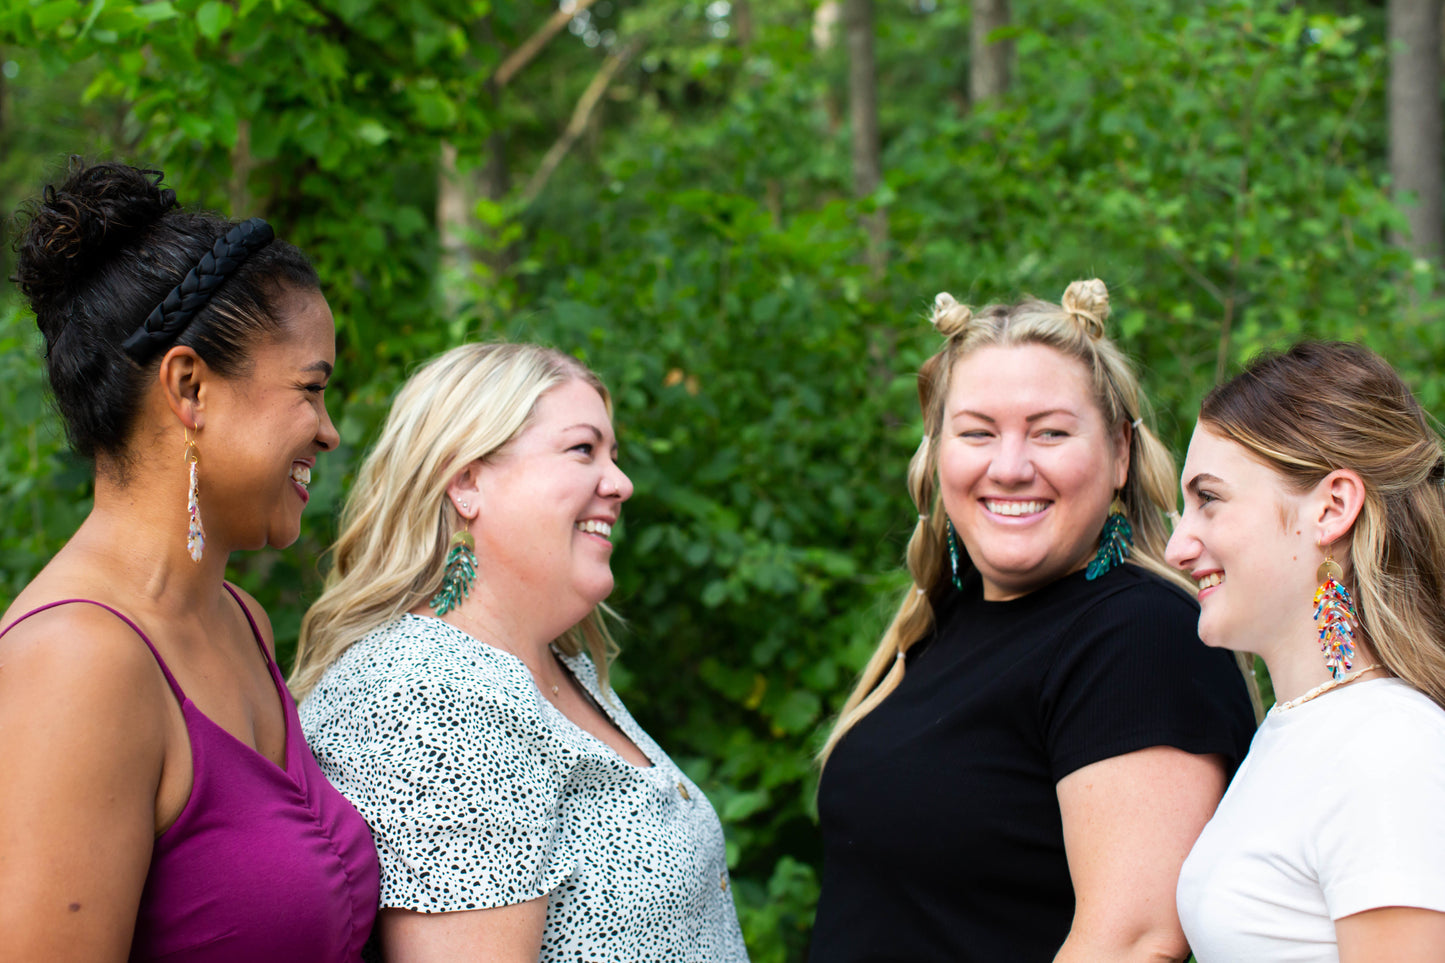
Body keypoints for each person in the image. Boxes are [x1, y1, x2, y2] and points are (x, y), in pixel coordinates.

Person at [811, 279, 1258, 962]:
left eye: (1049, 432)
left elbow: (1131, 941)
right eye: (976, 432)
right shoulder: (947, 619)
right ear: (936, 454)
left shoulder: (1136, 636)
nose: (1010, 466)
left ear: (1118, 454)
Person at [0, 159, 379, 960]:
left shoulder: (237, 618)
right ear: (190, 388)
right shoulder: (76, 664)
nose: (328, 430)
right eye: (310, 389)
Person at [290, 342, 749, 963]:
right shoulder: (430, 700)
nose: (620, 484)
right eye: (583, 450)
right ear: (468, 481)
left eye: (614, 456)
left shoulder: (558, 669)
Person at [1167, 341, 1445, 961]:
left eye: (1208, 499)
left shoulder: (1387, 748)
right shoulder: (1302, 728)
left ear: (1332, 508)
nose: (1177, 546)